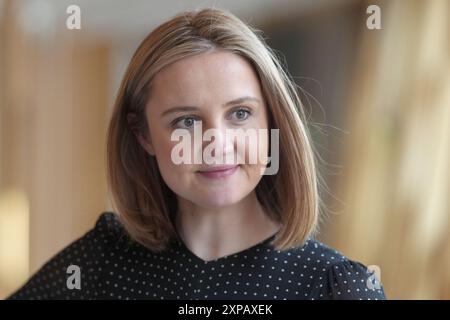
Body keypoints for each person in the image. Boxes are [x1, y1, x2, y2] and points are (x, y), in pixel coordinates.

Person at [8, 8, 385, 300]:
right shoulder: (100, 263)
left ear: (272, 123)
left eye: (240, 114)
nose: (216, 143)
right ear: (143, 135)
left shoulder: (338, 286)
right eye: (186, 121)